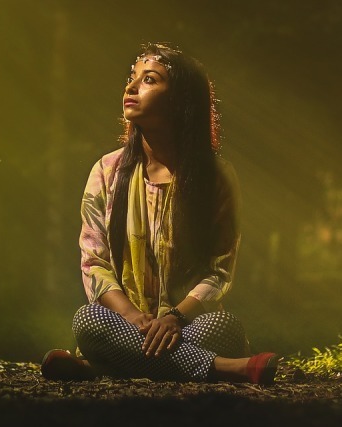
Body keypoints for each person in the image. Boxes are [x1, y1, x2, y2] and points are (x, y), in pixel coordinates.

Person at [40, 43, 278, 384]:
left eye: (149, 80)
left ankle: (100, 368)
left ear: (181, 100)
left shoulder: (216, 176)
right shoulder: (107, 171)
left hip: (191, 324)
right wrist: (136, 318)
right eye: (132, 79)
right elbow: (94, 264)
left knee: (223, 326)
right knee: (88, 320)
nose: (131, 87)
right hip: (124, 321)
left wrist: (174, 319)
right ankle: (227, 367)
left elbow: (220, 270)